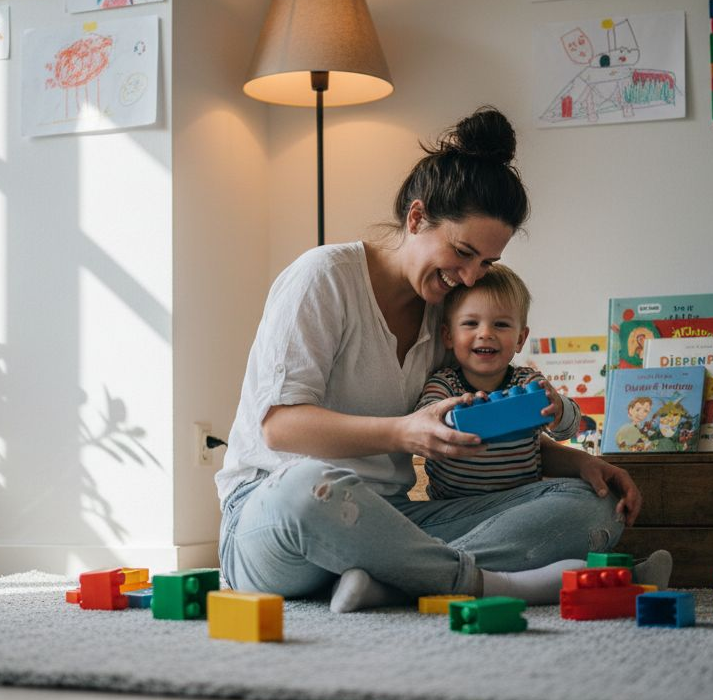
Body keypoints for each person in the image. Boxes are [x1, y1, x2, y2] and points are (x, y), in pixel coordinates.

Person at [215, 106, 664, 613]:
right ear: (416, 217)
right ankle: (495, 584)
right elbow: (280, 426)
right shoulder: (323, 277)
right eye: (463, 252)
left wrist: (578, 462)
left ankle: (391, 579)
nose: (472, 278)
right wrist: (403, 432)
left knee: (592, 504)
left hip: (395, 520)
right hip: (276, 514)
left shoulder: (446, 317)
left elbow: (472, 430)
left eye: (487, 264)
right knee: (306, 489)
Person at [417, 263, 582, 500]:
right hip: (454, 507)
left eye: (501, 324)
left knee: (580, 494)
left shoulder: (527, 382)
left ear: (520, 339)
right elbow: (427, 422)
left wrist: (558, 409)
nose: (485, 333)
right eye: (471, 323)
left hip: (520, 502)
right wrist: (454, 412)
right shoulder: (444, 383)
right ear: (448, 336)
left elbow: (569, 427)